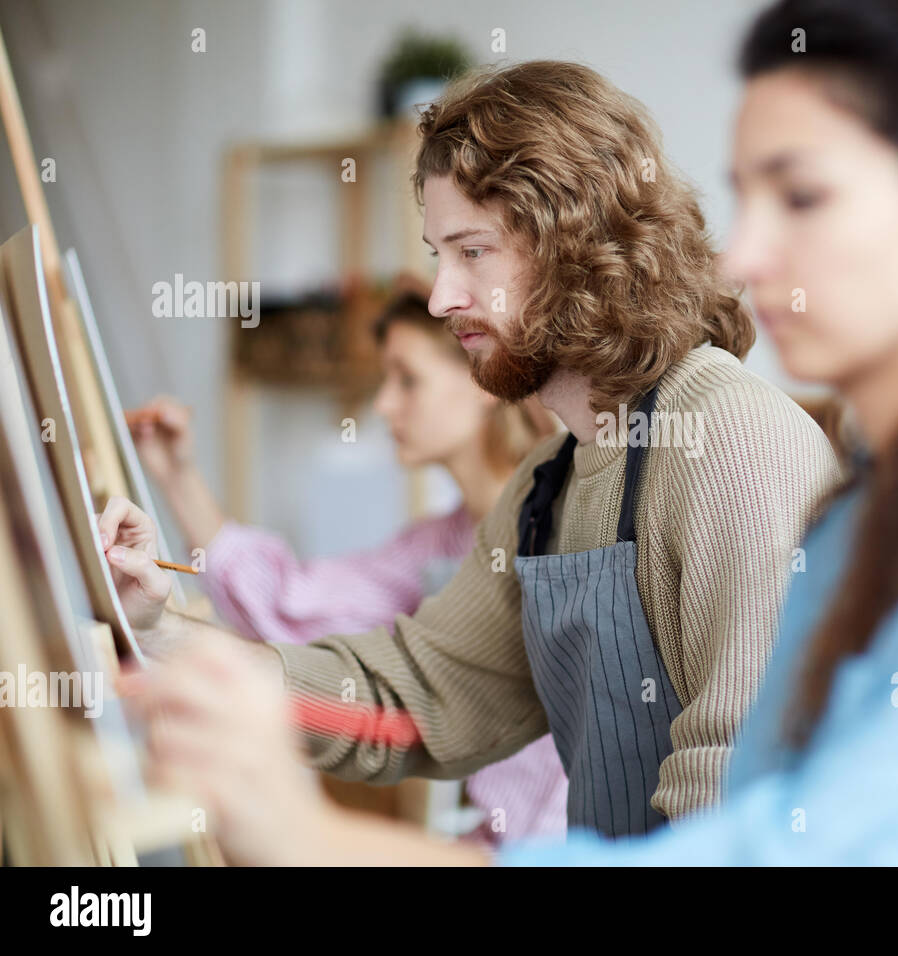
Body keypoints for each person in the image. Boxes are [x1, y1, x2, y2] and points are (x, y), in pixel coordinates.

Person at [113, 0, 898, 865]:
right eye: (745, 198)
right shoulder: (570, 475)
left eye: (802, 197)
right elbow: (419, 694)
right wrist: (173, 641)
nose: (743, 253)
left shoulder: (760, 456)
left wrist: (319, 844)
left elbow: (747, 839)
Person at [100, 58, 843, 841]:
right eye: (437, 255)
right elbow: (413, 694)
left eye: (473, 252)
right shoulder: (549, 485)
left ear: (575, 242)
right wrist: (162, 629)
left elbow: (743, 813)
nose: (440, 296)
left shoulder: (731, 445)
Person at [125, 282, 568, 846]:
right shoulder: (439, 543)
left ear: (484, 377)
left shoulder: (562, 522)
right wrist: (176, 477)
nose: (383, 404)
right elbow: (295, 605)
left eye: (407, 379)